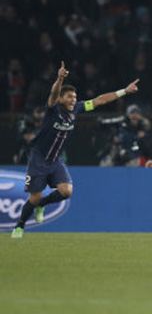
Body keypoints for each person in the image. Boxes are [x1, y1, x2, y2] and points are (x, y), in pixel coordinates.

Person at [11, 61, 139, 238]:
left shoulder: (77, 108)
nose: (73, 100)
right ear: (61, 98)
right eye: (69, 97)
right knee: (34, 198)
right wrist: (59, 79)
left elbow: (100, 100)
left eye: (74, 96)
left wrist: (124, 91)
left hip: (56, 160)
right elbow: (53, 93)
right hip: (39, 158)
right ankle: (19, 226)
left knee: (67, 191)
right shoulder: (53, 108)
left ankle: (42, 205)